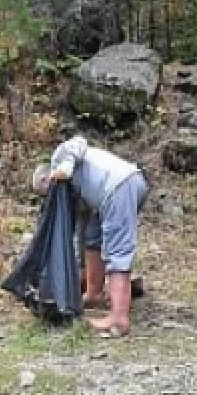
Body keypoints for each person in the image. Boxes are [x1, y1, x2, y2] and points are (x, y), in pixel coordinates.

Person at [33, 136, 147, 337]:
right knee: (93, 235)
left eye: (46, 193)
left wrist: (64, 168)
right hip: (122, 186)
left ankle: (119, 319)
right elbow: (83, 235)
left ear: (46, 179)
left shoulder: (59, 158)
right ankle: (94, 293)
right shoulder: (79, 191)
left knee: (117, 250)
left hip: (119, 186)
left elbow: (78, 142)